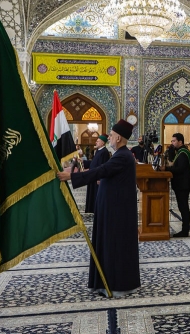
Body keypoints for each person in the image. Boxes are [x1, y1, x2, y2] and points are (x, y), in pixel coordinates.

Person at [57, 119, 140, 297]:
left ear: (118, 138)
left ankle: (117, 284)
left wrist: (72, 177)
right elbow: (106, 172)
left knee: (114, 246)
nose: (109, 137)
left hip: (116, 211)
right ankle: (105, 282)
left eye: (111, 135)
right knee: (107, 243)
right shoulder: (121, 154)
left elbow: (102, 170)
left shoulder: (123, 156)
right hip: (112, 208)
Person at [162, 133, 190, 237]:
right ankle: (185, 229)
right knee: (182, 206)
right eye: (172, 141)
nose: (172, 143)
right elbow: (174, 163)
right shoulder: (180, 152)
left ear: (180, 142)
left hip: (183, 184)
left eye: (174, 141)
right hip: (181, 184)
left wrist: (166, 168)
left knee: (183, 207)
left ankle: (185, 230)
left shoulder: (183, 153)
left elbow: (180, 169)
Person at [85, 134, 111, 214]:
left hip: (97, 178)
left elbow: (103, 166)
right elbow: (93, 163)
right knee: (92, 194)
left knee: (96, 194)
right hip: (93, 176)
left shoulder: (104, 152)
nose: (96, 142)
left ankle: (96, 210)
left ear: (103, 143)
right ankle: (92, 209)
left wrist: (100, 178)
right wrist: (83, 162)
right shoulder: (98, 151)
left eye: (98, 141)